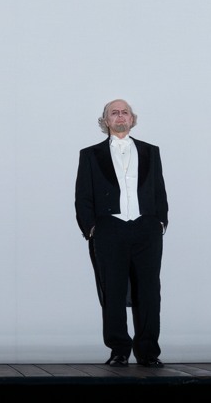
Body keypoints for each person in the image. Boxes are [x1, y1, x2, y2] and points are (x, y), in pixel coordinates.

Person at [74, 98, 168, 367]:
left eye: (124, 112)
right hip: (109, 229)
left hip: (146, 228)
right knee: (112, 291)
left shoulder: (152, 151)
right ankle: (119, 350)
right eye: (113, 113)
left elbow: (159, 190)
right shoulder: (90, 155)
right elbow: (83, 195)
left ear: (132, 118)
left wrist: (160, 221)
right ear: (105, 120)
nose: (119, 116)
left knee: (149, 291)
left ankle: (149, 352)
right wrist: (91, 228)